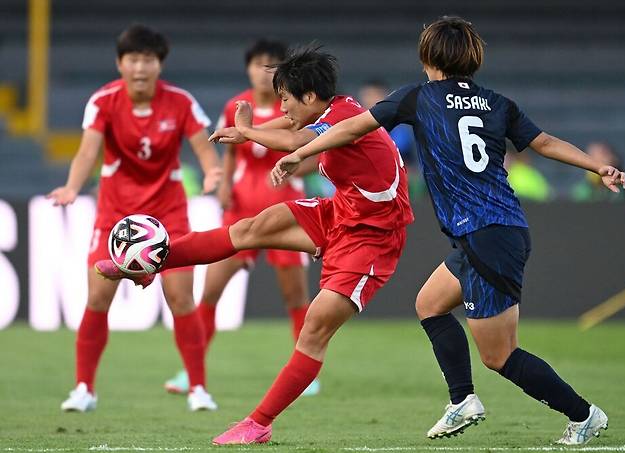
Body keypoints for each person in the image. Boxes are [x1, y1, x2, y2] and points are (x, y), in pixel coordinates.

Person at [274, 17, 625, 446]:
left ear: (427, 57)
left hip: (486, 234)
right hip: (495, 229)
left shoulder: (419, 97)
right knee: (430, 303)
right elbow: (545, 143)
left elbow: (351, 127)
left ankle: (583, 414)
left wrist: (302, 153)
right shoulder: (496, 102)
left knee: (500, 356)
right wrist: (597, 166)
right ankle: (462, 399)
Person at [96, 46, 414, 444]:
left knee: (314, 329)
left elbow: (296, 137)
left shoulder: (345, 117)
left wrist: (251, 134)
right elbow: (293, 126)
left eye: (285, 98)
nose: (280, 107)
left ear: (311, 98)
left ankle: (258, 423)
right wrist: (250, 133)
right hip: (342, 213)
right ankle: (151, 264)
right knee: (251, 228)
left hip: (374, 236)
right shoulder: (330, 109)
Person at [47, 24, 222, 412]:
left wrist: (212, 172)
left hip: (168, 213)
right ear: (120, 63)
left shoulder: (180, 102)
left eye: (148, 59)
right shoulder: (103, 101)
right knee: (97, 296)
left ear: (159, 64)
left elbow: (203, 146)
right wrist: (73, 187)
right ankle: (84, 389)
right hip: (116, 215)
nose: (140, 67)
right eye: (133, 59)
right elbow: (87, 152)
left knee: (180, 299)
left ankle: (198, 389)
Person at [163, 39, 320, 397]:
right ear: (247, 68)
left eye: (272, 66)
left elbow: (319, 150)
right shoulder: (237, 105)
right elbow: (228, 146)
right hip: (242, 208)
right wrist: (222, 184)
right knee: (211, 291)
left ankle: (305, 372)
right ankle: (192, 370)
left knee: (295, 296)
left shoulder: (296, 110)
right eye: (258, 65)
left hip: (285, 211)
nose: (264, 73)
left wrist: (297, 163)